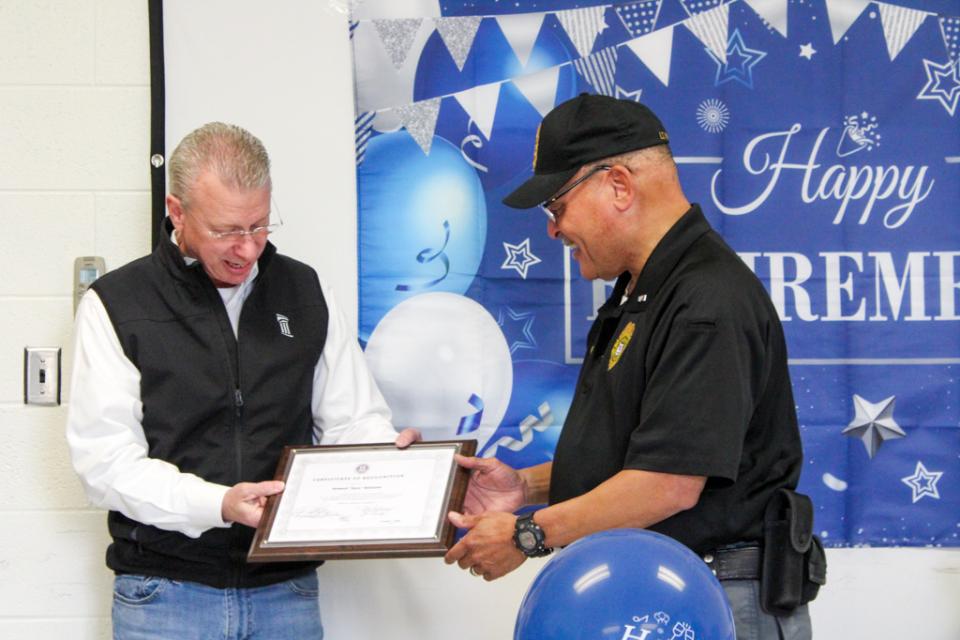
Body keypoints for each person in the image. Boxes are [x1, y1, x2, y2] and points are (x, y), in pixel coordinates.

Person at [444, 94, 816, 639]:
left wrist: (527, 535)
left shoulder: (705, 299)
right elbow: (641, 454)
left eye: (557, 206)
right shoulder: (645, 291)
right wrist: (523, 486)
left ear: (618, 184)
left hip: (711, 603)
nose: (553, 229)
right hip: (658, 593)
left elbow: (668, 484)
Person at [66, 122, 419, 639]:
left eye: (259, 226)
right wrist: (219, 504)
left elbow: (352, 420)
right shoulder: (117, 304)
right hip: (164, 593)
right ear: (177, 212)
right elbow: (105, 463)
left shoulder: (304, 290)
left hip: (286, 592)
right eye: (226, 230)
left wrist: (391, 459)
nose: (247, 249)